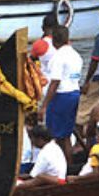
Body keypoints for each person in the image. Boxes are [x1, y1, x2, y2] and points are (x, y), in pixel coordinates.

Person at [40, 25, 82, 161]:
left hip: (61, 96)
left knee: (55, 136)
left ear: (54, 40)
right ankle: (68, 165)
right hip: (74, 93)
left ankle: (60, 166)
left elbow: (55, 83)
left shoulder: (58, 57)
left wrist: (44, 105)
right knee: (66, 135)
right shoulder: (76, 55)